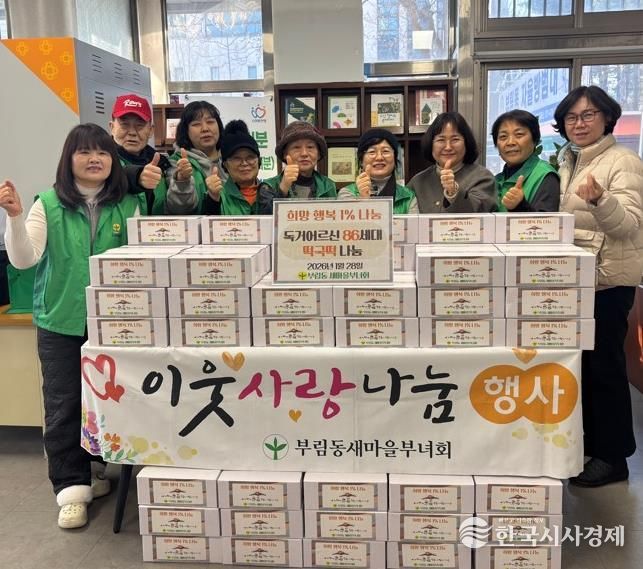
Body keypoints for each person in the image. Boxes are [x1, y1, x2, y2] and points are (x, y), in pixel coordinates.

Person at [0, 124, 140, 529]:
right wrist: (14, 217)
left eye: (103, 152)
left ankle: (96, 470)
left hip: (115, 324)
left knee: (109, 400)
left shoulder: (128, 205)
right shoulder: (47, 204)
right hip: (60, 321)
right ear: (69, 159)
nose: (95, 159)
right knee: (64, 405)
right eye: (84, 152)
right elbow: (24, 259)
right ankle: (71, 487)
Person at [553, 86, 643, 487]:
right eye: (572, 117)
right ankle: (594, 447)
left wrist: (601, 200)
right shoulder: (570, 159)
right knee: (587, 369)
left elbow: (628, 225)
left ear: (607, 118)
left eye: (588, 115)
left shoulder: (623, 160)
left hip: (607, 281)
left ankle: (614, 457)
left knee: (606, 369)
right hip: (580, 280)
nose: (579, 123)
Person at [408, 112, 496, 213]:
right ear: (430, 144)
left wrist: (453, 192)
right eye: (441, 140)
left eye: (455, 139)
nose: (448, 147)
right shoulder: (418, 181)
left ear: (466, 142)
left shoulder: (483, 177)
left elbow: (479, 214)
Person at [110, 93, 172, 215]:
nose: (132, 132)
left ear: (151, 130)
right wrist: (137, 177)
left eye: (139, 125)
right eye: (124, 125)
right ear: (112, 127)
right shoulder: (100, 163)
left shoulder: (163, 164)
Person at [491, 109, 560, 212]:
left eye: (519, 134)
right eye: (503, 137)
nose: (510, 142)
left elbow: (546, 222)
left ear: (535, 140)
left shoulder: (545, 175)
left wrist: (520, 206)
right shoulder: (497, 180)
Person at [337, 128, 418, 214]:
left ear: (395, 158)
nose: (379, 157)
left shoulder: (408, 197)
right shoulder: (347, 193)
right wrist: (363, 199)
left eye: (385, 151)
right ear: (361, 161)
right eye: (372, 152)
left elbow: (413, 223)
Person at [166, 100, 226, 214]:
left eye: (210, 122)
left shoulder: (231, 158)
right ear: (186, 131)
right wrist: (182, 182)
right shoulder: (177, 163)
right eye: (196, 124)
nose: (205, 128)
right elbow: (179, 210)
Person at [203, 120, 273, 215]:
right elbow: (209, 222)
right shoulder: (217, 195)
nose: (244, 163)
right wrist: (213, 199)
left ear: (259, 161)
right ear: (225, 165)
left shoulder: (271, 191)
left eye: (250, 157)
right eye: (237, 158)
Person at [262, 121, 336, 212]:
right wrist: (283, 189)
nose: (304, 153)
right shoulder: (268, 186)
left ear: (319, 154)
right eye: (296, 147)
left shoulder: (328, 185)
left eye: (310, 147)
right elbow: (265, 218)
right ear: (285, 154)